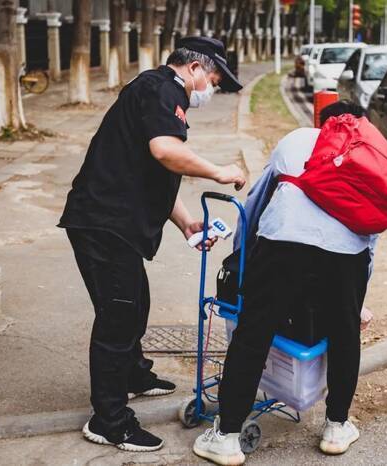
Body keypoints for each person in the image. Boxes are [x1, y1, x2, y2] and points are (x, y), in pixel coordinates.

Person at [58, 37, 246, 452]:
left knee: (135, 302)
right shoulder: (164, 90)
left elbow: (155, 170)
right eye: (213, 79)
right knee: (118, 317)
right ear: (195, 69)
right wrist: (218, 172)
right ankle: (109, 420)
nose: (210, 90)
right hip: (103, 223)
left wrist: (186, 223)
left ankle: (132, 375)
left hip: (110, 223)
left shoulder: (156, 89)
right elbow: (165, 151)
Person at [193, 101, 378, 465]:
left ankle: (227, 436)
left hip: (283, 245)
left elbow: (257, 202)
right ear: (361, 124)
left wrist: (241, 257)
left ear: (320, 122)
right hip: (347, 253)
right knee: (344, 333)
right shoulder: (367, 152)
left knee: (254, 330)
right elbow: (372, 235)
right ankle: (337, 426)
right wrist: (357, 297)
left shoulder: (297, 140)